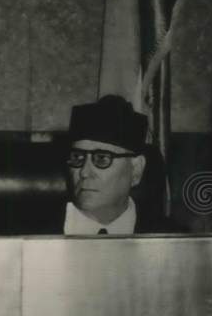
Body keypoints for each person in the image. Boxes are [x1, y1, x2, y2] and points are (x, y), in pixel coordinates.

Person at [62, 95, 172, 235]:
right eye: (77, 157)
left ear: (136, 169)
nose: (84, 172)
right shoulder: (34, 235)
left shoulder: (171, 238)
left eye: (101, 158)